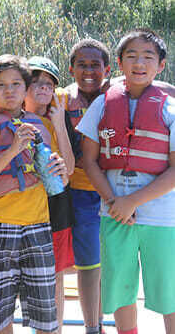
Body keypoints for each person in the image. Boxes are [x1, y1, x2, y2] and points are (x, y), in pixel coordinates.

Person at [78, 29, 175, 334]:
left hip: (162, 217)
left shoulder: (170, 107)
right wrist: (114, 202)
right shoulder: (104, 104)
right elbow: (90, 161)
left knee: (168, 290)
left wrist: (132, 201)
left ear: (160, 65)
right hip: (114, 213)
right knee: (120, 286)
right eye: (131, 56)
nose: (139, 63)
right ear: (119, 62)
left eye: (148, 57)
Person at [0, 54, 68, 334]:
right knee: (0, 314)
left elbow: (60, 178)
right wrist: (12, 150)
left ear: (26, 90)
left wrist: (59, 169)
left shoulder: (41, 126)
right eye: (1, 85)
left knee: (45, 312)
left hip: (38, 225)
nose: (9, 90)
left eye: (16, 84)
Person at [55, 39, 112, 334]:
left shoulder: (119, 94)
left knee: (108, 263)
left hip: (117, 192)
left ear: (108, 69)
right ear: (71, 68)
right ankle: (93, 327)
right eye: (82, 65)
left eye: (95, 65)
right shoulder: (61, 98)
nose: (89, 71)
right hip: (80, 193)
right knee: (88, 264)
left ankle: (102, 321)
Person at [25, 56, 76, 334]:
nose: (43, 88)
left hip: (55, 206)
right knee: (30, 276)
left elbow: (68, 170)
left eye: (48, 83)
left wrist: (57, 123)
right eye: (35, 82)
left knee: (55, 276)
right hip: (23, 206)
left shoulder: (59, 117)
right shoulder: (13, 117)